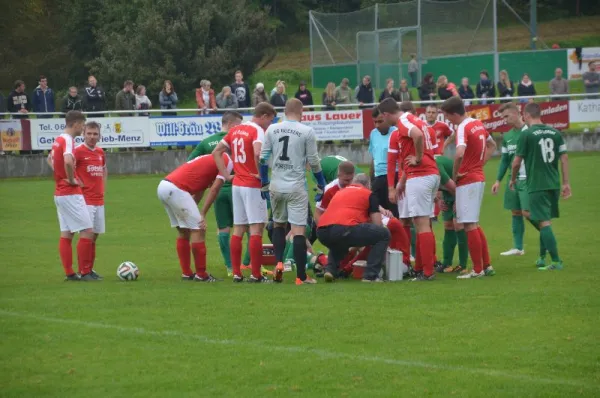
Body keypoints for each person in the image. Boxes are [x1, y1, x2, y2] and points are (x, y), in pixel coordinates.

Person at [259, 98, 324, 285]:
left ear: (285, 111)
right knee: (298, 231)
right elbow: (314, 161)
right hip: (296, 187)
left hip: (276, 186)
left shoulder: (272, 129)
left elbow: (263, 159)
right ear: (301, 111)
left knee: (278, 225)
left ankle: (278, 264)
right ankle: (301, 277)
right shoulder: (307, 131)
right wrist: (321, 183)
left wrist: (264, 182)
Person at [212, 102, 278, 283]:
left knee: (239, 229)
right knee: (257, 228)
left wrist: (226, 175)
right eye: (270, 120)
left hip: (237, 184)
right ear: (263, 116)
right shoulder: (257, 130)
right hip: (252, 184)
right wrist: (262, 176)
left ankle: (236, 273)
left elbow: (216, 151)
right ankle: (256, 275)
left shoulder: (236, 130)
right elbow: (258, 153)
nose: (270, 124)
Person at [383, 99, 440, 281]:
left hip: (421, 175)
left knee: (421, 223)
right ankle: (423, 267)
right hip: (431, 175)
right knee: (423, 222)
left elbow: (417, 136)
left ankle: (428, 271)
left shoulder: (403, 122)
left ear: (386, 114)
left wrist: (418, 157)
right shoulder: (419, 121)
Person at [187, 111, 250, 277]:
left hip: (218, 191)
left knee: (223, 229)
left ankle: (230, 267)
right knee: (251, 227)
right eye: (239, 125)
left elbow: (190, 163)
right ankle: (245, 264)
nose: (241, 128)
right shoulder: (240, 140)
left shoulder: (207, 142)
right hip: (239, 187)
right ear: (230, 125)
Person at [441, 96, 497, 279]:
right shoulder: (477, 123)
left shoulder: (463, 127)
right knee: (474, 222)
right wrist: (480, 164)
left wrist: (455, 175)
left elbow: (458, 154)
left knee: (469, 224)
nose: (448, 120)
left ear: (455, 114)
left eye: (448, 116)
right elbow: (492, 144)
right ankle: (486, 265)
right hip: (478, 177)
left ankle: (478, 270)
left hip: (468, 180)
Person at [511, 103, 571, 270]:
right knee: (542, 218)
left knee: (543, 222)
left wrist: (513, 179)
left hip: (537, 184)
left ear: (526, 115)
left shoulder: (527, 134)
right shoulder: (555, 132)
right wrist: (566, 183)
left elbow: (516, 162)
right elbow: (564, 158)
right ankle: (542, 257)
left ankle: (556, 261)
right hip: (554, 183)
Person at [157, 153, 233, 282]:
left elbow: (200, 189)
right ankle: (201, 274)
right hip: (177, 189)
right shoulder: (226, 160)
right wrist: (201, 214)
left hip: (163, 186)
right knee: (198, 229)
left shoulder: (211, 159)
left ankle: (187, 273)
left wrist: (194, 212)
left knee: (184, 230)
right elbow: (214, 189)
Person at [48, 111, 96, 281]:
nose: (83, 128)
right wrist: (71, 179)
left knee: (66, 234)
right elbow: (68, 160)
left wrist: (60, 176)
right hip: (69, 193)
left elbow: (49, 159)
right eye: (82, 124)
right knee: (87, 231)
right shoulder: (68, 140)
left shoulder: (58, 139)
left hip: (59, 193)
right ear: (75, 123)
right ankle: (85, 272)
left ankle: (69, 273)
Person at [317, 173, 390, 283]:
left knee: (339, 242)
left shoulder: (339, 192)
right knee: (383, 234)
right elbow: (377, 224)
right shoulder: (368, 194)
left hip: (322, 231)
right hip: (344, 227)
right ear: (368, 184)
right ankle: (370, 276)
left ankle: (330, 270)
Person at [491, 102, 540, 257]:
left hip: (529, 179)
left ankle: (546, 232)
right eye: (502, 117)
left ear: (517, 112)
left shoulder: (531, 131)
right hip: (513, 180)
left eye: (506, 116)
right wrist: (498, 180)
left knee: (527, 212)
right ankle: (518, 247)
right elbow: (505, 160)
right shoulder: (507, 136)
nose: (504, 120)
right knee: (516, 212)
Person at [73, 122, 107, 277]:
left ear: (99, 135)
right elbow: (65, 167)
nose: (92, 137)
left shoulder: (100, 152)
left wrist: (103, 188)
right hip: (85, 200)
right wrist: (76, 183)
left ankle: (89, 269)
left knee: (95, 235)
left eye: (95, 134)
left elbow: (104, 169)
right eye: (89, 134)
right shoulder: (78, 152)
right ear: (83, 134)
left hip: (99, 200)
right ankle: (83, 271)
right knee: (86, 234)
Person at [435, 155, 469, 273]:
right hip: (447, 192)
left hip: (460, 188)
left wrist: (458, 200)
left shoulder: (436, 166)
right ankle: (447, 264)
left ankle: (463, 265)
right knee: (448, 225)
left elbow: (452, 184)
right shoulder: (422, 168)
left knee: (459, 225)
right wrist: (439, 200)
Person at [369, 107, 398, 217]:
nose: (377, 125)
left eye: (380, 121)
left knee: (395, 215)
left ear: (387, 118)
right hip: (378, 179)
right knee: (378, 214)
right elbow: (374, 157)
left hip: (393, 177)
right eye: (375, 122)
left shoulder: (396, 132)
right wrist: (371, 180)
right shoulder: (373, 134)